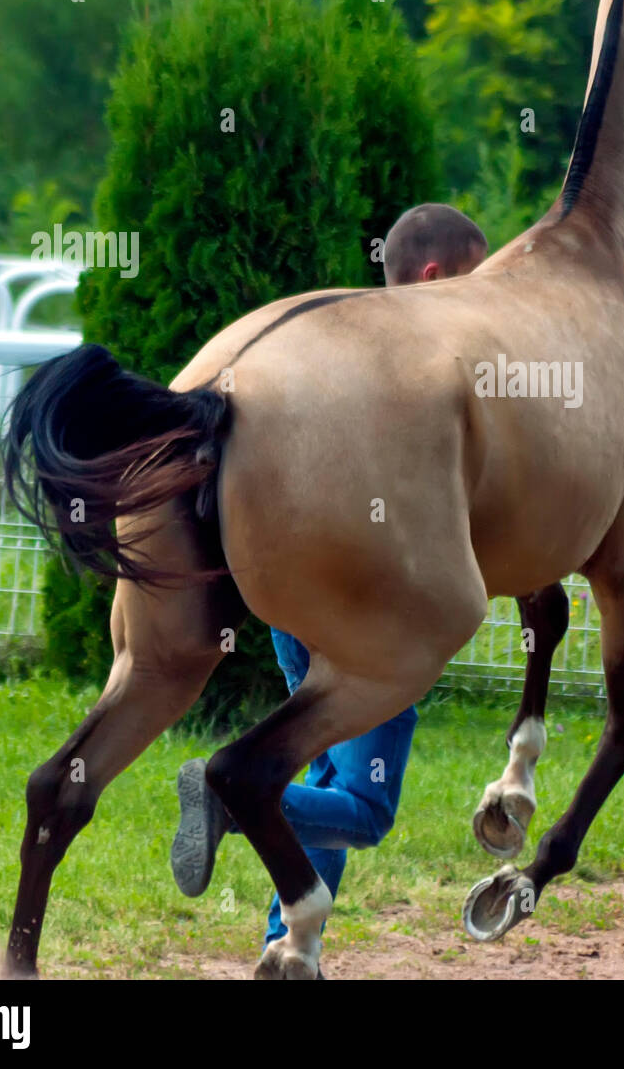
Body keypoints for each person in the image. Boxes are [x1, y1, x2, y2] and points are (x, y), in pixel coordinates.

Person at [170, 203, 490, 956]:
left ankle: (291, 946)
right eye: (474, 282)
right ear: (437, 277)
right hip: (372, 608)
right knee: (366, 806)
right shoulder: (421, 369)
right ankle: (234, 795)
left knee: (322, 752)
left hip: (293, 595)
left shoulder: (342, 343)